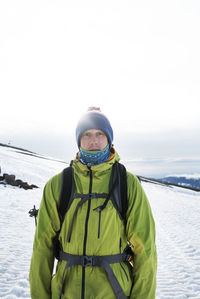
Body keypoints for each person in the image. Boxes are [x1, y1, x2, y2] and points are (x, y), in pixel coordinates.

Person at [29, 107, 157, 299]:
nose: (93, 140)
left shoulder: (127, 183)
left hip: (115, 293)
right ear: (79, 140)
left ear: (109, 139)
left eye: (100, 133)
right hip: (66, 293)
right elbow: (42, 247)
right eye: (87, 134)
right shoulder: (58, 184)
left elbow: (145, 249)